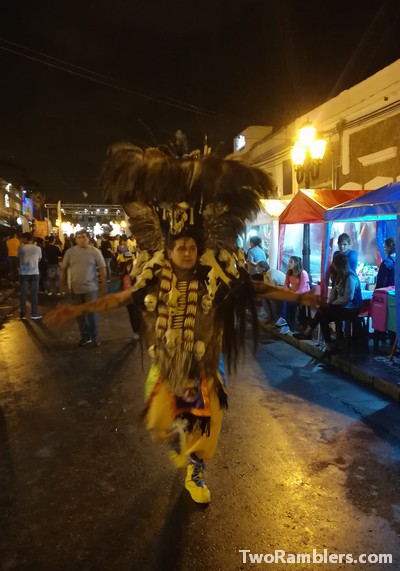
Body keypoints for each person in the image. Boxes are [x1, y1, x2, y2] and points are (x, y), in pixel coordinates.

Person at [45, 141, 319, 504]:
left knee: (206, 421)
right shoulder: (155, 276)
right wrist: (77, 310)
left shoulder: (215, 276)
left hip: (203, 368)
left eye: (192, 247)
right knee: (160, 423)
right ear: (170, 251)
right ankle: (179, 438)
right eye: (180, 248)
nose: (187, 252)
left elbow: (257, 290)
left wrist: (299, 297)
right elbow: (120, 298)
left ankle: (196, 468)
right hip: (167, 365)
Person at [295, 253, 362, 353]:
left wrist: (332, 304)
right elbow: (334, 292)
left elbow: (348, 297)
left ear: (339, 266)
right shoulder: (340, 275)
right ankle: (328, 345)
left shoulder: (350, 277)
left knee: (323, 311)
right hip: (341, 306)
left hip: (351, 308)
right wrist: (329, 303)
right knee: (323, 315)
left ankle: (309, 332)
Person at [60, 229, 107, 346]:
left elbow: (102, 268)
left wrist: (103, 286)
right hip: (76, 288)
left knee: (92, 314)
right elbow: (63, 269)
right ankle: (85, 337)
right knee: (79, 315)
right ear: (75, 239)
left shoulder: (95, 252)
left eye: (84, 237)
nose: (82, 239)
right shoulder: (70, 252)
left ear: (89, 238)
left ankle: (95, 337)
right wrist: (62, 285)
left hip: (91, 289)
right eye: (79, 237)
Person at [275, 256, 310, 334]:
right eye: (289, 261)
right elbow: (285, 285)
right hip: (293, 294)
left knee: (286, 301)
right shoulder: (289, 272)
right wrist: (288, 292)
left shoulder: (303, 273)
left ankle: (284, 322)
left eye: (291, 262)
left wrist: (291, 295)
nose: (289, 263)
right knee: (279, 299)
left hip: (303, 295)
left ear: (296, 263)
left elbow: (302, 289)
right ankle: (285, 324)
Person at [17, 232, 42, 320]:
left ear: (26, 239)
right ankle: (34, 313)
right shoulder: (38, 248)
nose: (21, 240)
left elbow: (18, 258)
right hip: (35, 273)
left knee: (23, 293)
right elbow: (39, 259)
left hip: (23, 273)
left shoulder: (21, 248)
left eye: (22, 238)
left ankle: (22, 313)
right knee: (34, 294)